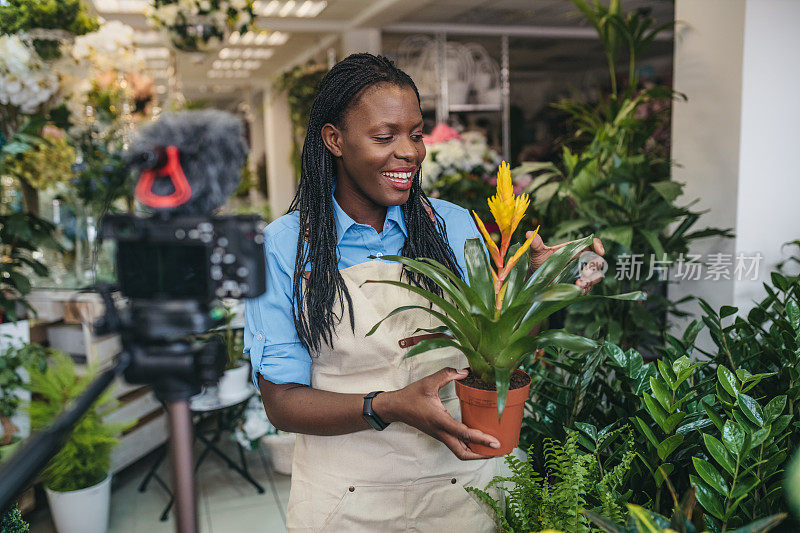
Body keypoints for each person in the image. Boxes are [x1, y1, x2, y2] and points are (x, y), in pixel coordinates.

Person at [244, 53, 604, 532]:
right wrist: (386, 405)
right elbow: (282, 402)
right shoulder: (286, 247)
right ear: (334, 139)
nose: (410, 152)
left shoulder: (452, 225)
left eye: (416, 134)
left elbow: (502, 352)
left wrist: (538, 286)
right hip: (348, 503)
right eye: (384, 136)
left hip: (465, 493)